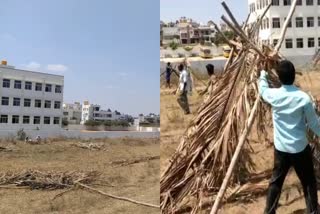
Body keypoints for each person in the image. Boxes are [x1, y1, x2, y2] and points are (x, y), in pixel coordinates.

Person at [258, 60, 320, 214]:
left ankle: (269, 211)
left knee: (276, 182)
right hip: (299, 148)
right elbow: (314, 124)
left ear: (279, 77)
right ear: (294, 76)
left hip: (281, 149)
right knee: (308, 182)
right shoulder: (303, 98)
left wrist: (263, 75)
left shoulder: (273, 95)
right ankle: (312, 211)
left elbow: (263, 90)